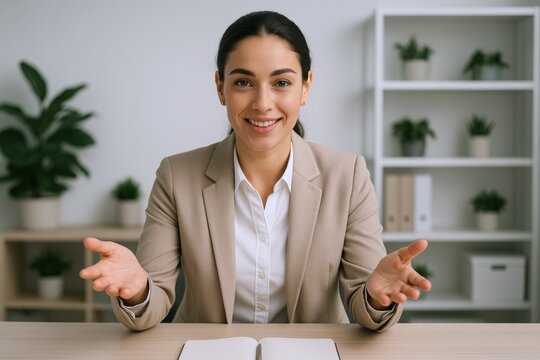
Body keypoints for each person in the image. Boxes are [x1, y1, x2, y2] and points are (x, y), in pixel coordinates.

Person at [80, 10, 431, 332]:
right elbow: (153, 305)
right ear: (220, 87)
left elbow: (364, 304)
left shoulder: (348, 175)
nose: (263, 103)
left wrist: (373, 294)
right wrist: (138, 289)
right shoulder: (176, 175)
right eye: (244, 82)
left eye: (281, 83)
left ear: (306, 87)